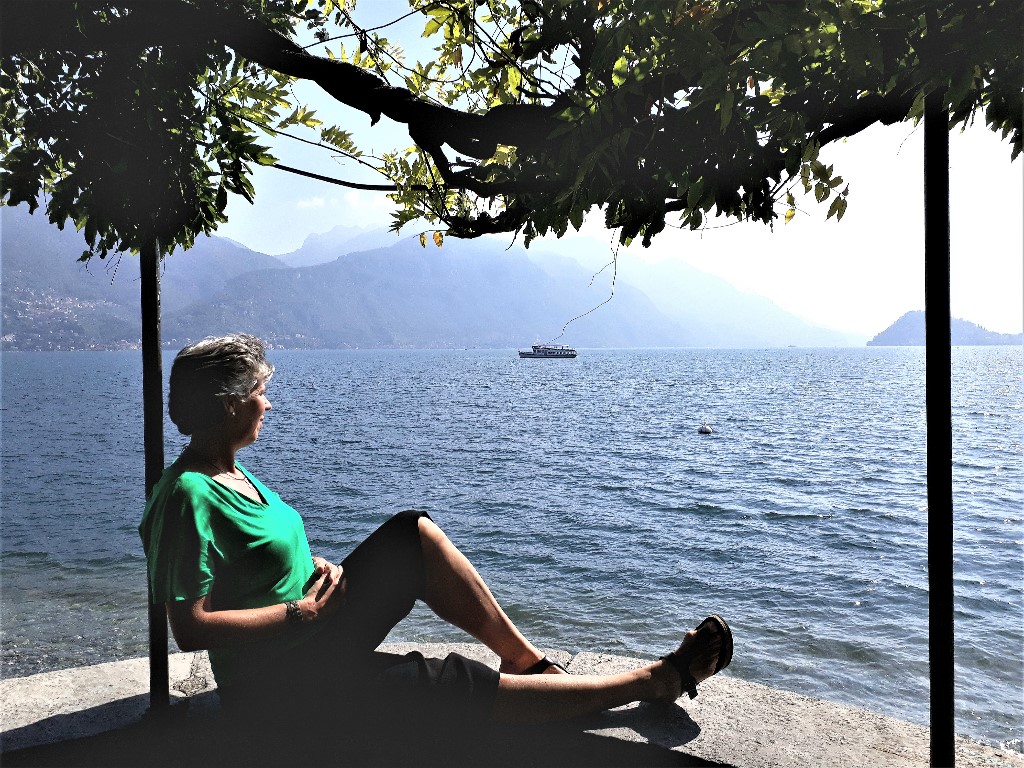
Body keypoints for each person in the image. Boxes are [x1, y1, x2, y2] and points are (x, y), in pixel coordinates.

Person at [139, 333, 733, 729]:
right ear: (228, 403)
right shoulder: (188, 494)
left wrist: (312, 570)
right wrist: (303, 612)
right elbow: (190, 628)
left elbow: (253, 564)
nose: (267, 405)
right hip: (280, 686)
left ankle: (527, 662)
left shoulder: (232, 472)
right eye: (259, 393)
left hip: (315, 633)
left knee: (411, 533)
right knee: (455, 681)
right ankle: (653, 682)